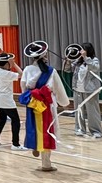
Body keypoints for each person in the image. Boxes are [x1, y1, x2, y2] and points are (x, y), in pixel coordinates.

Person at [19, 41, 70, 172]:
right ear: (45, 56)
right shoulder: (51, 71)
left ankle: (35, 145)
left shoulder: (27, 70)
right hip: (47, 104)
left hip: (32, 104)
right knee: (47, 131)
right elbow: (59, 88)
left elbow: (23, 88)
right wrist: (64, 103)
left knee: (34, 128)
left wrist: (31, 96)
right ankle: (46, 163)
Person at [0, 53, 26, 150]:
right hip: (6, 101)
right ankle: (15, 144)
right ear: (6, 64)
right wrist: (14, 64)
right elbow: (22, 74)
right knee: (15, 120)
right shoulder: (7, 74)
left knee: (2, 119)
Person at [71, 43, 102, 138]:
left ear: (88, 51)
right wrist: (68, 61)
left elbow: (95, 68)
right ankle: (80, 129)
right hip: (78, 89)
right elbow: (68, 69)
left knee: (92, 112)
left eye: (83, 50)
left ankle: (96, 131)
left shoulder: (94, 60)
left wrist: (85, 58)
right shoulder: (78, 61)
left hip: (90, 91)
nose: (81, 51)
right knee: (79, 111)